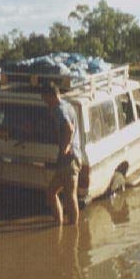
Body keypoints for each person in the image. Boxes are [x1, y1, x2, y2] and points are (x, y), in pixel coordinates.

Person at [41, 83, 82, 226]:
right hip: (74, 156)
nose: (44, 102)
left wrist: (65, 148)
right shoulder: (67, 105)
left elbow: (69, 129)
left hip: (69, 158)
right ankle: (62, 225)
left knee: (68, 194)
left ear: (51, 96)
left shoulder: (59, 110)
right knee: (54, 192)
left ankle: (71, 228)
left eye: (45, 98)